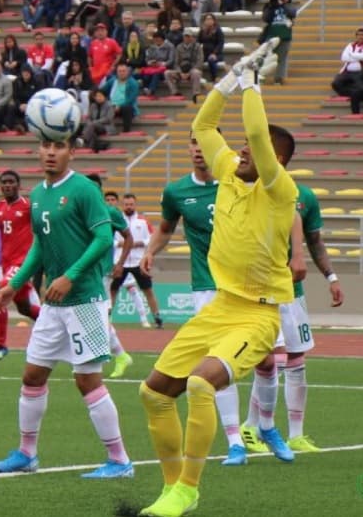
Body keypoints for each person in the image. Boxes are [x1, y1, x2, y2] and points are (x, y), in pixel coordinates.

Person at [137, 40, 297, 517]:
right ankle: (172, 490)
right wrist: (227, 82)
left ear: (278, 161)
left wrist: (252, 84)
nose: (243, 149)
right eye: (244, 146)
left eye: (255, 147)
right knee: (154, 393)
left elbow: (258, 136)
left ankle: (190, 486)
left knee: (203, 386)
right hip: (221, 306)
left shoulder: (279, 188)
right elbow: (203, 125)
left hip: (258, 317)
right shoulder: (227, 169)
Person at [0, 135, 134, 479]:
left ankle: (120, 460)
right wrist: (15, 284)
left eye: (59, 146)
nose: (51, 152)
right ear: (38, 150)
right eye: (46, 146)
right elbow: (40, 244)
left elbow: (102, 239)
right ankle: (27, 453)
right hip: (53, 306)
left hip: (86, 302)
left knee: (88, 381)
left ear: (71, 151)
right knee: (32, 375)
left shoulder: (84, 190)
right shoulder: (37, 195)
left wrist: (70, 276)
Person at [239, 180, 345, 457]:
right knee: (272, 359)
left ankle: (295, 435)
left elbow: (315, 241)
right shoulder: (246, 191)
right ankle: (252, 425)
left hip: (292, 292)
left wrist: (331, 278)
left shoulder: (304, 196)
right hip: (259, 290)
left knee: (296, 360)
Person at [0, 171, 41, 361]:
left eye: (11, 182)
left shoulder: (28, 207)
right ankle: (57, 325)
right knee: (24, 309)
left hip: (22, 263)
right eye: (4, 182)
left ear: (19, 185)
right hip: (7, 264)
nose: (7, 185)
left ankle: (1, 344)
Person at [86, 174, 134, 379]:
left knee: (98, 313)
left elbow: (128, 238)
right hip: (83, 271)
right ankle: (116, 354)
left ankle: (110, 354)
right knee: (93, 314)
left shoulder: (110, 212)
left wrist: (120, 263)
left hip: (103, 271)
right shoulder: (80, 212)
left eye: (96, 188)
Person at [110, 193, 163, 328]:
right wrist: (120, 244)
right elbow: (112, 239)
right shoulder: (117, 219)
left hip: (138, 261)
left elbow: (151, 238)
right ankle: (107, 319)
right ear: (123, 205)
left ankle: (157, 318)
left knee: (148, 290)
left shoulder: (143, 221)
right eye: (126, 204)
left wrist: (139, 243)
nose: (129, 207)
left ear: (135, 204)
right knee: (113, 290)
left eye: (131, 204)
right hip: (120, 261)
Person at [259, 0, 295, 85]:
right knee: (265, 56)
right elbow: (266, 18)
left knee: (281, 58)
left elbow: (293, 14)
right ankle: (260, 77)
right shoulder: (270, 6)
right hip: (271, 35)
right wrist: (272, 6)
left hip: (285, 36)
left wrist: (282, 4)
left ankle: (279, 79)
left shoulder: (289, 6)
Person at [331, 27, 363, 114]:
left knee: (359, 89)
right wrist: (357, 57)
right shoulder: (350, 45)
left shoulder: (352, 50)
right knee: (335, 84)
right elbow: (344, 58)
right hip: (347, 72)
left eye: (362, 35)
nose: (360, 37)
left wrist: (351, 55)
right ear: (356, 36)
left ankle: (355, 98)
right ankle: (352, 92)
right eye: (359, 35)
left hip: (360, 73)